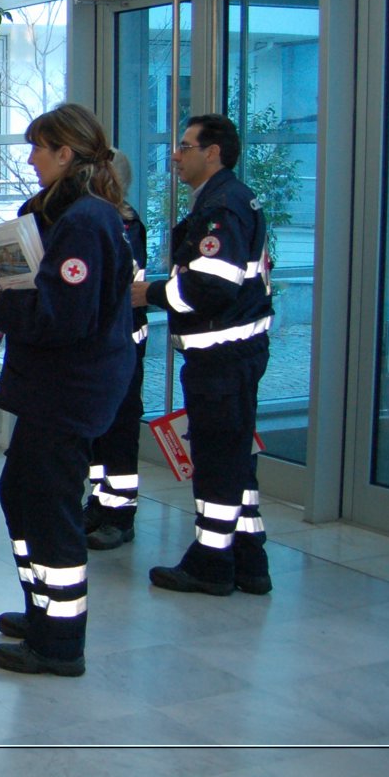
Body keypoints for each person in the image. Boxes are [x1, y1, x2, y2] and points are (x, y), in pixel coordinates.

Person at [0, 103, 134, 677]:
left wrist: (3, 303)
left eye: (39, 147)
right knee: (21, 493)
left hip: (71, 389)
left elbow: (64, 317)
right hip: (55, 386)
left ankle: (60, 640)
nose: (31, 157)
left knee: (49, 507)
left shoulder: (87, 222)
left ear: (66, 153)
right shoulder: (65, 217)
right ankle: (41, 609)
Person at [134, 114, 274, 596]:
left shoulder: (223, 207)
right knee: (236, 461)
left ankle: (211, 563)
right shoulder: (229, 199)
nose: (176, 154)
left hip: (224, 356)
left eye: (186, 146)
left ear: (212, 152)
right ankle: (250, 559)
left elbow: (209, 286)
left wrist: (148, 293)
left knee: (217, 460)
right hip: (234, 353)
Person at [82, 149, 150, 551]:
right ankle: (100, 500)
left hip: (123, 346)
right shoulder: (99, 222)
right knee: (98, 431)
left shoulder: (125, 226)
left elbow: (122, 287)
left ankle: (120, 514)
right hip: (99, 348)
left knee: (120, 432)